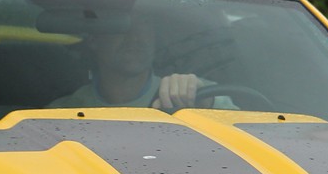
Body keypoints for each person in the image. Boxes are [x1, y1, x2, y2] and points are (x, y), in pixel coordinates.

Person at [51, 15, 229, 110]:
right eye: (122, 26)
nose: (135, 37)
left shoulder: (193, 93)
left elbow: (239, 133)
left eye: (144, 25)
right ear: (93, 40)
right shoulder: (64, 111)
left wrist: (205, 102)